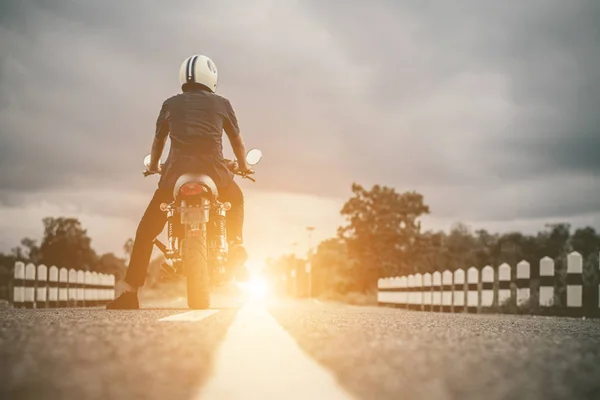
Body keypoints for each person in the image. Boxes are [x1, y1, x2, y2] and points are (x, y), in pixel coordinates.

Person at [107, 54, 252, 310]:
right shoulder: (222, 104)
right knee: (236, 198)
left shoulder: (170, 104)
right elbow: (237, 143)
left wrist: (153, 167)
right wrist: (243, 166)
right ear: (211, 78)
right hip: (215, 172)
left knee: (147, 231)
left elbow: (158, 142)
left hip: (175, 174)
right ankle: (235, 244)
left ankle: (130, 293)